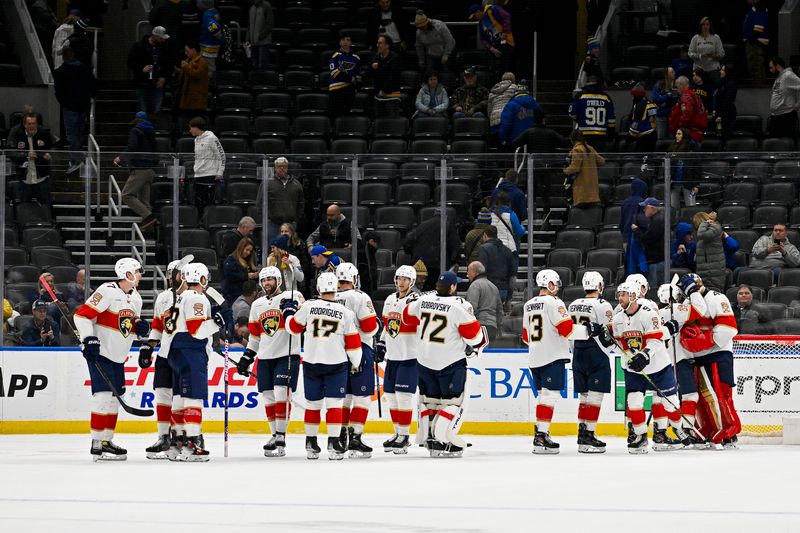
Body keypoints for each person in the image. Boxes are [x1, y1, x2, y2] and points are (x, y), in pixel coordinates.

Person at [403, 271, 486, 457]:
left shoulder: (424, 301)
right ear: (453, 287)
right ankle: (444, 438)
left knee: (429, 401)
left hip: (424, 361)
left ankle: (430, 440)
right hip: (449, 362)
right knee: (453, 401)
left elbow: (406, 317)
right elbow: (475, 337)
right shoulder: (458, 307)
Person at [74, 258, 148, 460]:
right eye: (137, 272)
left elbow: (126, 327)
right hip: (100, 353)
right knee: (103, 397)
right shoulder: (107, 290)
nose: (140, 275)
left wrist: (139, 328)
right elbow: (81, 316)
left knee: (115, 398)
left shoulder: (137, 298)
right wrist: (89, 338)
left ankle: (107, 440)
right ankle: (97, 443)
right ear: (128, 274)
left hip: (118, 356)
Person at [286, 272, 363, 460]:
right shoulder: (346, 312)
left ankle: (310, 442)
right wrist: (356, 362)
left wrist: (288, 312)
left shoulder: (308, 307)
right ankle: (334, 442)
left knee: (313, 404)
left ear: (319, 288)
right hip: (336, 363)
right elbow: (353, 343)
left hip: (312, 362)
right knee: (334, 404)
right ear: (335, 288)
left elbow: (292, 328)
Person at [238, 266, 305, 456]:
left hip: (287, 354)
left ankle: (281, 434)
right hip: (265, 357)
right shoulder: (257, 304)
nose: (267, 283)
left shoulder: (293, 295)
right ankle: (274, 434)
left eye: (270, 279)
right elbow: (255, 336)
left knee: (281, 392)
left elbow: (302, 320)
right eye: (264, 280)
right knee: (268, 396)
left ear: (278, 281)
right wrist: (247, 356)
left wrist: (293, 310)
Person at [611, 282, 685, 454]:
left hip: (658, 366)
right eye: (619, 294)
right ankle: (640, 436)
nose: (620, 297)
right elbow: (618, 345)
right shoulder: (617, 319)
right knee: (634, 402)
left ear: (633, 296)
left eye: (623, 294)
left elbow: (656, 341)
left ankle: (678, 428)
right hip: (634, 370)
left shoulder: (648, 314)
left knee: (671, 402)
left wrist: (644, 355)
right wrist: (607, 341)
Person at [675, 273, 741, 448]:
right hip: (698, 357)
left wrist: (703, 341)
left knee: (721, 394)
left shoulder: (716, 298)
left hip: (718, 354)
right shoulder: (689, 303)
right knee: (704, 398)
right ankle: (710, 429)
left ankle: (729, 432)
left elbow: (729, 327)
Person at [166, 262, 223, 460]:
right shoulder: (197, 298)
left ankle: (177, 441)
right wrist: (217, 321)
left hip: (176, 350)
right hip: (191, 349)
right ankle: (193, 442)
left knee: (180, 397)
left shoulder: (180, 297)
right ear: (202, 279)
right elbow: (197, 330)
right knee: (193, 396)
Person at [521, 269, 574, 454]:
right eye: (555, 283)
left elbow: (526, 336)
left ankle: (541, 432)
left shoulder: (528, 304)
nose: (557, 287)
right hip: (552, 356)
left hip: (535, 357)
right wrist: (588, 331)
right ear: (549, 285)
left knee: (543, 396)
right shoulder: (554, 302)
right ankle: (541, 435)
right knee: (549, 396)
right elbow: (567, 329)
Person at [138, 259, 184, 460]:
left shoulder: (194, 297)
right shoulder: (163, 298)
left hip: (185, 354)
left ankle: (180, 437)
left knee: (182, 398)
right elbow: (158, 326)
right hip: (165, 353)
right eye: (169, 272)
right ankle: (163, 436)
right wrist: (149, 347)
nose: (171, 276)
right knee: (163, 394)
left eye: (174, 272)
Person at [656, 282, 710, 449]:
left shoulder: (654, 313)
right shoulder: (678, 310)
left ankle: (660, 432)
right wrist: (692, 290)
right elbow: (700, 308)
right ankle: (687, 429)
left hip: (659, 362)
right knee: (690, 396)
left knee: (661, 397)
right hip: (678, 359)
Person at [334, 262, 380, 457]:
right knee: (361, 396)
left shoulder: (329, 298)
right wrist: (377, 323)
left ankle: (341, 433)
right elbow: (370, 327)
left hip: (337, 352)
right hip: (360, 349)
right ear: (354, 279)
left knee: (345, 396)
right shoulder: (360, 297)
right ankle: (355, 436)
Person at [567, 271, 614, 453]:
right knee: (595, 396)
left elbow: (570, 333)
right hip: (596, 352)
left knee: (584, 396)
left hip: (578, 352)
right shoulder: (603, 305)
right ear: (600, 286)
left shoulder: (573, 305)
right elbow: (608, 334)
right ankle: (589, 435)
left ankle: (582, 433)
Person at [378, 265, 420, 453]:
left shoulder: (416, 301)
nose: (400, 282)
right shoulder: (389, 299)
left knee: (403, 397)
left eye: (405, 279)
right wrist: (381, 343)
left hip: (410, 356)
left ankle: (404, 436)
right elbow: (387, 327)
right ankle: (397, 433)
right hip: (392, 357)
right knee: (392, 398)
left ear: (412, 281)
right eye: (398, 278)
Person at [53, 46, 98, 174]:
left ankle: (75, 160)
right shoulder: (84, 69)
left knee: (72, 134)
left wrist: (65, 103)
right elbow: (93, 85)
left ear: (63, 56)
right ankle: (78, 156)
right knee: (78, 132)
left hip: (70, 107)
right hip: (82, 105)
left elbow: (58, 92)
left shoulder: (61, 71)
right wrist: (91, 96)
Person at [113, 111, 158, 230]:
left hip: (140, 169)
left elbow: (132, 147)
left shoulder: (135, 131)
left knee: (126, 195)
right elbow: (155, 150)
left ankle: (149, 216)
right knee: (144, 200)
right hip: (150, 170)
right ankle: (149, 229)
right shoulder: (151, 131)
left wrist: (121, 157)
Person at [7, 111, 55, 207]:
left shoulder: (44, 132)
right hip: (24, 178)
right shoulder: (16, 132)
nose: (32, 126)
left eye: (34, 124)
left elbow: (55, 146)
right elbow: (10, 151)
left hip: (42, 177)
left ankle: (49, 220)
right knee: (24, 205)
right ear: (24, 124)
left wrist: (50, 154)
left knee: (46, 204)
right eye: (29, 124)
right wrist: (26, 155)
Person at [403, 210, 460, 291]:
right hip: (439, 265)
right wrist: (454, 261)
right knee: (436, 291)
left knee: (422, 291)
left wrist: (412, 254)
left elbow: (408, 242)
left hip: (421, 265)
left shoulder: (422, 225)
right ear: (446, 216)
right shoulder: (448, 225)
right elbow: (455, 245)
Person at [255, 156, 305, 242]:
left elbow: (301, 203)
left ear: (287, 168)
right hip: (272, 224)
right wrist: (267, 218)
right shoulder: (267, 183)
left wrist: (296, 219)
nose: (282, 168)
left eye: (284, 166)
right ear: (275, 168)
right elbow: (260, 203)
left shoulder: (296, 184)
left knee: (289, 250)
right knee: (273, 249)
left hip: (290, 224)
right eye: (279, 166)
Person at [127, 26, 172, 115]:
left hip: (157, 82)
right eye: (160, 38)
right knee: (143, 110)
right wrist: (141, 68)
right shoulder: (139, 46)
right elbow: (130, 62)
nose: (162, 40)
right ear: (154, 36)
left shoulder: (164, 48)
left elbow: (169, 64)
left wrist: (164, 77)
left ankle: (156, 127)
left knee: (157, 109)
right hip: (142, 82)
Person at [188, 116, 225, 212]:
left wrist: (220, 172)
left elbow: (221, 155)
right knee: (197, 202)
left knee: (208, 202)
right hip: (198, 174)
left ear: (197, 127)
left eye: (191, 128)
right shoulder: (196, 140)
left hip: (210, 175)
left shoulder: (212, 138)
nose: (190, 130)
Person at [569, 77, 616, 152]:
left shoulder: (579, 96)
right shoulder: (606, 97)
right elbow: (611, 120)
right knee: (598, 159)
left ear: (586, 83)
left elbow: (572, 114)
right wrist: (611, 134)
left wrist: (580, 121)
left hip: (583, 134)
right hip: (601, 134)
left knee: (585, 159)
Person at [468, 2, 514, 79]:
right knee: (495, 69)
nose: (474, 18)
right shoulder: (481, 24)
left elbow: (507, 17)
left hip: (505, 42)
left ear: (478, 12)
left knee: (505, 66)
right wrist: (492, 49)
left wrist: (505, 32)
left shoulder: (492, 9)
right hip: (494, 47)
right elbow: (483, 39)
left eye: (474, 15)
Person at [563, 130, 603, 207]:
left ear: (572, 139)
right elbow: (602, 161)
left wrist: (564, 170)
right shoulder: (590, 148)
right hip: (593, 188)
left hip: (582, 190)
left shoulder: (577, 149)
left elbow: (575, 168)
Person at [632, 197, 666, 287]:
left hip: (656, 261)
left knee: (654, 288)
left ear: (652, 208)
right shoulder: (657, 219)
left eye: (645, 207)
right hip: (657, 260)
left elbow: (648, 239)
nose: (643, 210)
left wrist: (637, 231)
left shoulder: (658, 220)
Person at [465, 261, 503, 341]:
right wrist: (499, 328)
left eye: (468, 271)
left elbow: (471, 308)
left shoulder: (475, 285)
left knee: (478, 352)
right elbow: (499, 311)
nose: (467, 275)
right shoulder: (494, 287)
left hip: (480, 326)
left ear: (474, 272)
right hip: (493, 327)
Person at [174, 41, 209, 126]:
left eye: (187, 51)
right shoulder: (188, 61)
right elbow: (185, 74)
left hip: (196, 100)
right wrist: (177, 70)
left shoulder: (202, 61)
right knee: (186, 122)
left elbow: (196, 74)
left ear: (193, 50)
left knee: (195, 123)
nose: (186, 53)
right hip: (186, 98)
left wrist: (185, 67)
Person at [328, 30, 362, 119]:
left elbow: (358, 76)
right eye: (343, 40)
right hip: (336, 89)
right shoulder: (335, 56)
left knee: (346, 116)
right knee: (335, 116)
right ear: (340, 42)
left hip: (349, 91)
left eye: (347, 40)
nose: (345, 42)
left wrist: (356, 83)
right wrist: (351, 79)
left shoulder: (356, 57)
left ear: (351, 42)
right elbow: (336, 74)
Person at [478, 225, 516, 304]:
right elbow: (512, 273)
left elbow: (482, 270)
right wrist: (509, 297)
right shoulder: (507, 250)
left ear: (485, 235)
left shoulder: (483, 249)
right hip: (503, 290)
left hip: (489, 290)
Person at [498, 83, 543, 148]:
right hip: (532, 141)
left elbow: (506, 123)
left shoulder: (511, 105)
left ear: (516, 93)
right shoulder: (536, 105)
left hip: (514, 141)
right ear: (527, 92)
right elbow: (541, 121)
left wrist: (502, 138)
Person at [693, 211, 726, 292]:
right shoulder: (707, 230)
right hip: (705, 272)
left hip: (713, 273)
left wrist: (704, 223)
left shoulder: (715, 228)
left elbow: (701, 235)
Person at [767, 57, 800, 138]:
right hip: (776, 116)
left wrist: (798, 104)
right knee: (774, 144)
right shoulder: (780, 77)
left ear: (777, 66)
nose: (770, 70)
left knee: (784, 144)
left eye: (771, 67)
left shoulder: (788, 75)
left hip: (786, 117)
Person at [669, 75, 707, 142]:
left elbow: (687, 113)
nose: (677, 90)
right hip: (695, 132)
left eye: (677, 87)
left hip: (689, 133)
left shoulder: (686, 96)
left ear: (681, 85)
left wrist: (680, 126)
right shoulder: (693, 94)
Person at [688, 17, 724, 87]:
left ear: (710, 26)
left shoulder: (715, 37)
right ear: (700, 26)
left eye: (707, 24)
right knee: (694, 84)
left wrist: (714, 55)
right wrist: (700, 56)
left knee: (718, 82)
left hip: (713, 68)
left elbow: (722, 54)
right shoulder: (695, 38)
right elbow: (690, 53)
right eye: (703, 25)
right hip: (699, 68)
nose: (705, 26)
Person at [371, 35, 402, 117]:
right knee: (379, 120)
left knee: (392, 121)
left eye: (380, 43)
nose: (378, 45)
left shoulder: (395, 58)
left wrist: (384, 89)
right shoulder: (376, 57)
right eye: (377, 43)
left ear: (387, 45)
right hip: (378, 94)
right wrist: (372, 67)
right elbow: (369, 74)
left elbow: (394, 77)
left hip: (391, 95)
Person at [669, 127, 700, 207]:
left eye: (679, 134)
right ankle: (674, 220)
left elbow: (697, 168)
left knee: (690, 206)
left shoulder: (692, 148)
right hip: (675, 182)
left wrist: (696, 185)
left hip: (688, 183)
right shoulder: (673, 147)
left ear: (685, 135)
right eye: (676, 134)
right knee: (673, 206)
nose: (676, 136)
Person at [279, 222, 312, 296]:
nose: (283, 233)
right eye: (282, 231)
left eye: (286, 231)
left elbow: (305, 264)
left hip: (297, 280)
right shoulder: (277, 246)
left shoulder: (299, 245)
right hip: (283, 278)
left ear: (291, 233)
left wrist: (295, 268)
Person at [222, 238, 259, 304]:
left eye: (250, 251)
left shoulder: (248, 261)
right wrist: (247, 276)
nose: (248, 253)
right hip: (233, 296)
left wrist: (256, 276)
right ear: (241, 248)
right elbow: (230, 275)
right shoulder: (231, 260)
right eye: (247, 250)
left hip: (247, 296)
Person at [743, 0, 769, 85]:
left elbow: (759, 26)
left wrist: (752, 39)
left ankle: (758, 88)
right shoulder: (753, 8)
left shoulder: (759, 8)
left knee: (755, 66)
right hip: (754, 41)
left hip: (756, 42)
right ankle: (760, 85)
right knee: (758, 67)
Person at [488, 72, 520, 140]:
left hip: (494, 123)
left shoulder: (493, 90)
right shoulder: (515, 87)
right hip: (508, 121)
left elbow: (489, 111)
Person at [627, 83, 657, 152]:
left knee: (640, 160)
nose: (632, 98)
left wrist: (629, 137)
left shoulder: (639, 106)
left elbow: (637, 123)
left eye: (633, 96)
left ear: (636, 96)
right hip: (653, 134)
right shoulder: (651, 103)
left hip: (644, 137)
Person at [197, 0, 222, 78]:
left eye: (199, 2)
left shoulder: (207, 15)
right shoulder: (214, 11)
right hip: (212, 44)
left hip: (208, 47)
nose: (197, 3)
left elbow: (215, 28)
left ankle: (209, 84)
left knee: (209, 68)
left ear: (204, 5)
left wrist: (218, 36)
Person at [651, 66, 678, 140]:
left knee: (672, 138)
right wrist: (667, 95)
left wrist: (663, 100)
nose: (674, 73)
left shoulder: (677, 84)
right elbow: (656, 100)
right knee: (661, 138)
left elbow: (678, 100)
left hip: (673, 116)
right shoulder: (658, 85)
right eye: (672, 72)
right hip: (661, 116)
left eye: (674, 71)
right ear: (666, 74)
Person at [713, 64, 737, 141]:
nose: (720, 71)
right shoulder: (722, 83)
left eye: (723, 70)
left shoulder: (731, 84)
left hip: (726, 115)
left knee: (726, 137)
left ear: (728, 72)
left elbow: (728, 101)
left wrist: (720, 115)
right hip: (719, 114)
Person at [247, 0, 273, 71]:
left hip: (263, 42)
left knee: (262, 65)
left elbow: (269, 24)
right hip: (253, 42)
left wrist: (260, 36)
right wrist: (247, 38)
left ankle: (264, 81)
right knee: (254, 65)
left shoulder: (266, 6)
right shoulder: (251, 8)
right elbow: (249, 25)